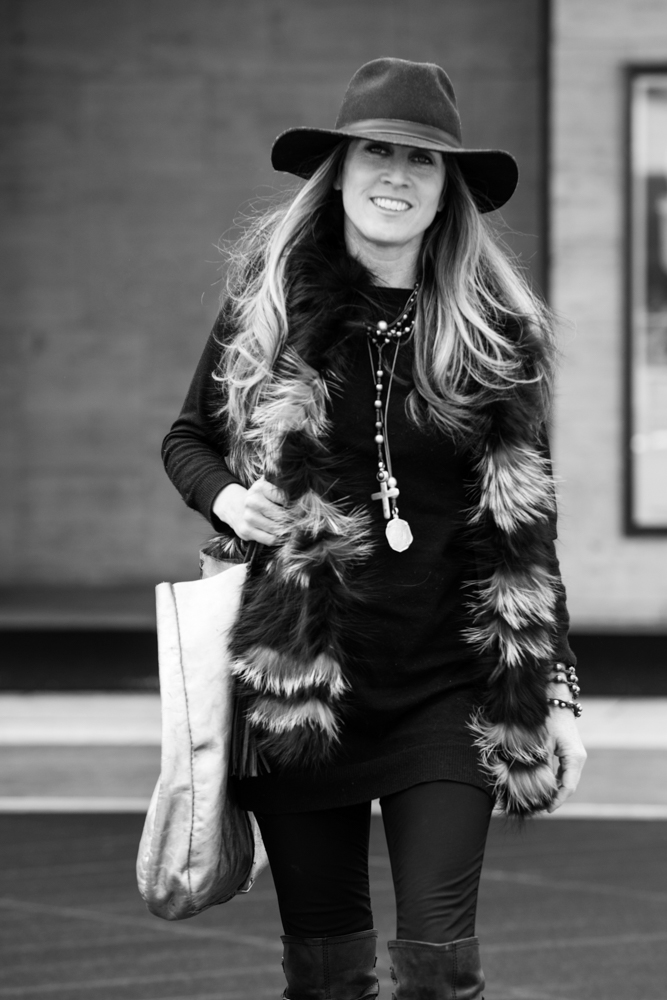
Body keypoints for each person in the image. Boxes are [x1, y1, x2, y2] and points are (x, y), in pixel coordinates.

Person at [162, 58, 586, 1000]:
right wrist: (228, 500)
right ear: (341, 172)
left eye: (421, 163)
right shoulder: (269, 304)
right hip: (300, 680)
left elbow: (527, 528)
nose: (396, 176)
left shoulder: (492, 336)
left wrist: (554, 689)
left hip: (448, 682)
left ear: (447, 194)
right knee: (327, 974)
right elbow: (189, 440)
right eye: (376, 154)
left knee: (441, 970)